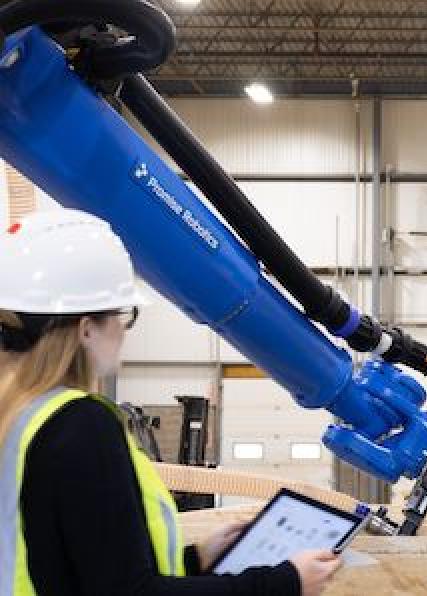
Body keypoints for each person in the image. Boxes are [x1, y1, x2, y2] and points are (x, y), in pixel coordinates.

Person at [0, 209, 342, 596]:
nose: (124, 331)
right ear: (86, 329)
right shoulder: (80, 426)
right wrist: (284, 582)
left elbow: (78, 565)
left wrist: (196, 557)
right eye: (124, 315)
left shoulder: (18, 421)